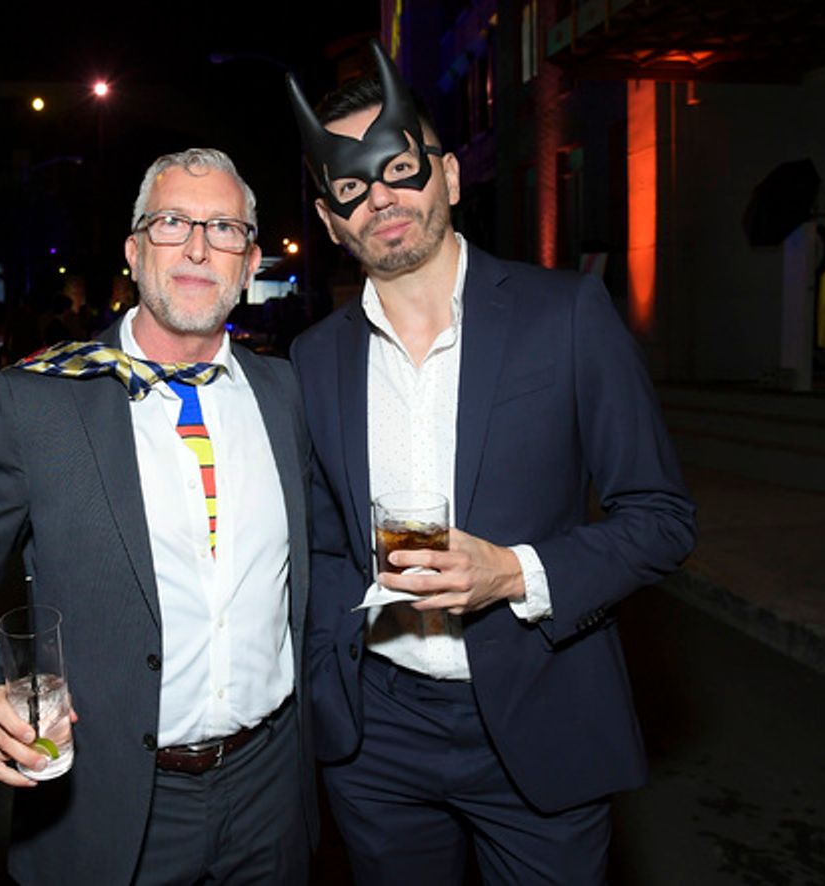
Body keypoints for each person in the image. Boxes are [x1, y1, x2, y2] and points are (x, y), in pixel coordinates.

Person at [286, 42, 697, 884]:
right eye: (351, 188)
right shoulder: (314, 359)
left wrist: (514, 573)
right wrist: (333, 677)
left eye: (400, 169)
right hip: (377, 737)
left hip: (540, 716)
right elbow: (322, 542)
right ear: (330, 221)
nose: (381, 198)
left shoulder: (567, 315)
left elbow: (661, 520)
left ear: (448, 176)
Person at [0, 147, 316, 885]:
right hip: (114, 801)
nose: (197, 247)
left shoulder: (285, 393)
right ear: (133, 250)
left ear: (251, 262)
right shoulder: (42, 400)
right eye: (172, 222)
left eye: (224, 228)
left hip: (270, 788)